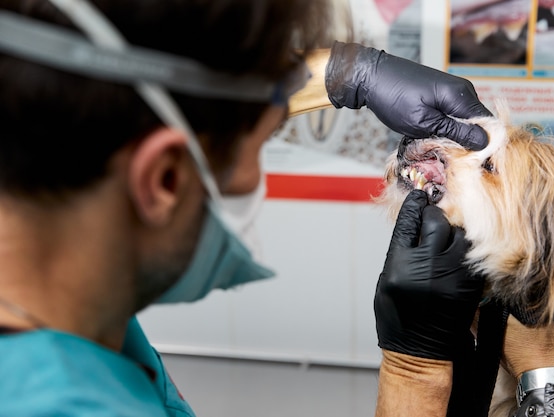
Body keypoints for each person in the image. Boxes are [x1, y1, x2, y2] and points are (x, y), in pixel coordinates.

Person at [0, 1, 492, 415]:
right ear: (165, 179)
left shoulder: (72, 310)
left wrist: (348, 74)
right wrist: (413, 368)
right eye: (257, 146)